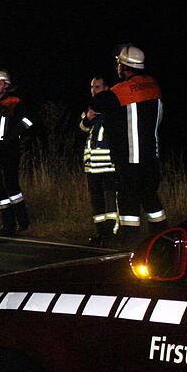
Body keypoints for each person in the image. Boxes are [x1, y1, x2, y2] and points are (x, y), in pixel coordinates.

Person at [89, 44, 166, 244]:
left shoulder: (122, 90)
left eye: (119, 64)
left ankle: (130, 241)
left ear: (124, 66)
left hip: (130, 159)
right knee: (150, 198)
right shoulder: (153, 84)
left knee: (127, 199)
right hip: (151, 157)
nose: (117, 67)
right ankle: (162, 239)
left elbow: (97, 104)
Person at [0, 69, 34, 236]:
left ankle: (23, 221)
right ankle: (8, 225)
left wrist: (12, 135)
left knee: (11, 184)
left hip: (10, 150)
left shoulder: (14, 102)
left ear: (6, 85)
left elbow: (28, 121)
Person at [78, 77, 117, 246]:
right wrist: (88, 118)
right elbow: (82, 127)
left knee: (110, 200)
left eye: (97, 87)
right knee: (96, 201)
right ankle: (100, 234)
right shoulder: (90, 108)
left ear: (106, 88)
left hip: (108, 164)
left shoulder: (112, 108)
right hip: (92, 165)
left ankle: (111, 235)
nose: (93, 90)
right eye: (92, 87)